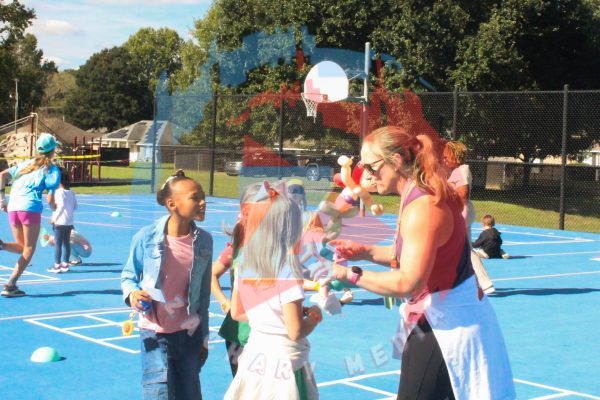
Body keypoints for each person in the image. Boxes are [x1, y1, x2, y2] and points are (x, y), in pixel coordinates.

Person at [331, 126, 515, 399]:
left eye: (370, 167)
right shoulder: (418, 196)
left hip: (448, 327)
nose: (366, 175)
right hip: (449, 318)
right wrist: (365, 251)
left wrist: (348, 274)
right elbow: (411, 256)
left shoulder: (423, 208)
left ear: (394, 162)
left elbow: (409, 281)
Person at [225, 181, 321, 400]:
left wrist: (269, 317)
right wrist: (314, 316)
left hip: (255, 357)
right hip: (285, 365)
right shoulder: (288, 270)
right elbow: (295, 330)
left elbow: (237, 313)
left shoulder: (245, 263)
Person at [121, 170, 212, 400]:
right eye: (195, 197)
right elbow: (129, 276)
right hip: (154, 332)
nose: (203, 202)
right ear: (172, 204)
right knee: (158, 392)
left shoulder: (204, 241)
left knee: (190, 392)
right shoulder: (146, 237)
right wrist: (132, 294)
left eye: (203, 197)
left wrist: (203, 337)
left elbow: (203, 296)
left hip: (188, 334)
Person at [0, 133, 61, 297]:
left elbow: (3, 175)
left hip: (13, 206)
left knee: (21, 247)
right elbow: (50, 197)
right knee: (29, 248)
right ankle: (11, 284)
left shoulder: (24, 165)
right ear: (53, 150)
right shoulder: (52, 169)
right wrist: (55, 209)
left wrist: (2, 200)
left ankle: (2, 245)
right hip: (30, 207)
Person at [211, 183, 260, 377]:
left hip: (262, 331)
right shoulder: (235, 251)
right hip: (241, 331)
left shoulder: (274, 252)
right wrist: (225, 302)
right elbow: (212, 275)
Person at [443, 141, 496, 294]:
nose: (444, 160)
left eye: (446, 157)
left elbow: (463, 193)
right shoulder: (457, 171)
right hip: (460, 213)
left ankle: (485, 284)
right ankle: (462, 282)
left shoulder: (461, 170)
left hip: (460, 213)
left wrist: (445, 195)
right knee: (459, 249)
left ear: (455, 156)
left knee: (463, 249)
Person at [47, 170, 77, 273]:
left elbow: (60, 207)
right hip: (69, 222)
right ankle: (65, 264)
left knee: (58, 244)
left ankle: (57, 266)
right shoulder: (71, 193)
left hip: (60, 222)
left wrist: (53, 218)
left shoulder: (59, 193)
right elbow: (75, 206)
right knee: (66, 244)